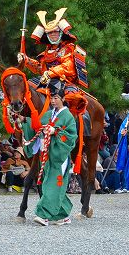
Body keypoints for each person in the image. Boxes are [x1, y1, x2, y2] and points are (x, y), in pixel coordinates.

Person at [25, 80, 79, 226]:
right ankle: (63, 215)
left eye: (56, 98)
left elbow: (71, 136)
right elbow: (37, 126)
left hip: (59, 155)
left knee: (52, 185)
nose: (53, 101)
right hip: (47, 155)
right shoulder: (49, 114)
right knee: (51, 184)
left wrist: (56, 131)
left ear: (63, 99)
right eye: (52, 98)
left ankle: (43, 215)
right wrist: (24, 121)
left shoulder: (68, 116)